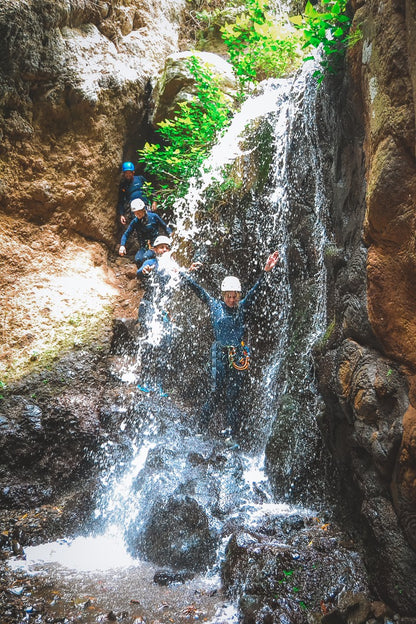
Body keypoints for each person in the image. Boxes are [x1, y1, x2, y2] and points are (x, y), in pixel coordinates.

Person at [182, 251, 280, 438]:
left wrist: (266, 271)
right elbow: (197, 289)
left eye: (235, 296)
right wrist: (179, 272)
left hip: (239, 354)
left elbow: (255, 292)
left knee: (233, 395)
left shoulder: (242, 306)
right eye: (229, 296)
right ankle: (200, 430)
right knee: (216, 392)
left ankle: (231, 435)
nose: (232, 299)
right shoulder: (214, 305)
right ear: (223, 294)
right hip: (219, 353)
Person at [136, 236, 179, 395]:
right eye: (161, 247)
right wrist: (144, 271)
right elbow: (139, 272)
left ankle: (159, 383)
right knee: (149, 342)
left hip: (162, 310)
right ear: (155, 250)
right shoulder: (151, 263)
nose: (164, 250)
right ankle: (143, 380)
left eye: (167, 247)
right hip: (148, 306)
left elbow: (181, 277)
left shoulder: (172, 266)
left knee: (165, 343)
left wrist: (190, 270)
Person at [118, 198, 173, 275]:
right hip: (143, 247)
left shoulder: (154, 217)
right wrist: (122, 245)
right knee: (138, 259)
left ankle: (155, 271)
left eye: (139, 212)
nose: (138, 215)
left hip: (156, 246)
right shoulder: (135, 222)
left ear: (143, 209)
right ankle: (144, 276)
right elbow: (126, 234)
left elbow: (165, 227)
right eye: (136, 213)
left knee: (146, 257)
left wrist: (171, 234)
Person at [117, 161, 151, 225]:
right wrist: (121, 214)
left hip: (145, 206)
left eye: (129, 173)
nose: (128, 175)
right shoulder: (123, 185)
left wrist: (154, 201)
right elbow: (121, 201)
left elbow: (150, 189)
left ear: (133, 172)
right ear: (124, 174)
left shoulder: (140, 179)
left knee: (150, 222)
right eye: (126, 173)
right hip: (134, 209)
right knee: (139, 226)